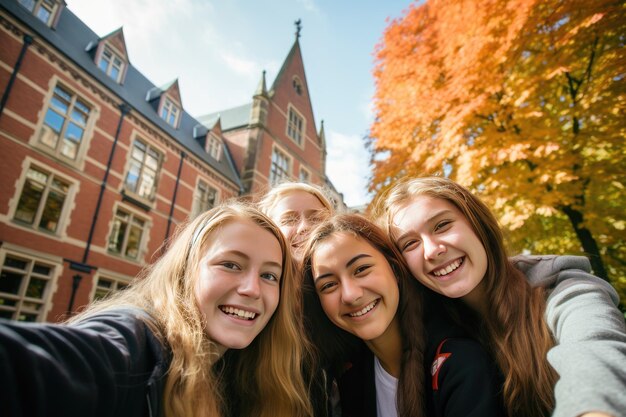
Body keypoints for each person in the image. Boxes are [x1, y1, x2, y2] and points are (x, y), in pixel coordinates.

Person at [0, 201, 314, 417]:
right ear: (185, 270)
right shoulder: (139, 344)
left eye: (269, 275)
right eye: (230, 264)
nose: (252, 288)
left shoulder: (251, 369)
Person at [373, 176, 626, 417]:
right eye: (410, 244)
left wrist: (594, 408)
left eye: (442, 225)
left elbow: (595, 348)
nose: (432, 251)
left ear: (478, 224)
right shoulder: (428, 333)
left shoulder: (560, 290)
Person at [301, 213, 505, 417]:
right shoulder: (346, 375)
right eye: (328, 285)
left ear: (395, 269)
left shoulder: (461, 362)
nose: (350, 295)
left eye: (361, 269)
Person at [258, 181, 357, 417]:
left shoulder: (350, 297)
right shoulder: (254, 299)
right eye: (289, 219)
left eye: (315, 218)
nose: (304, 227)